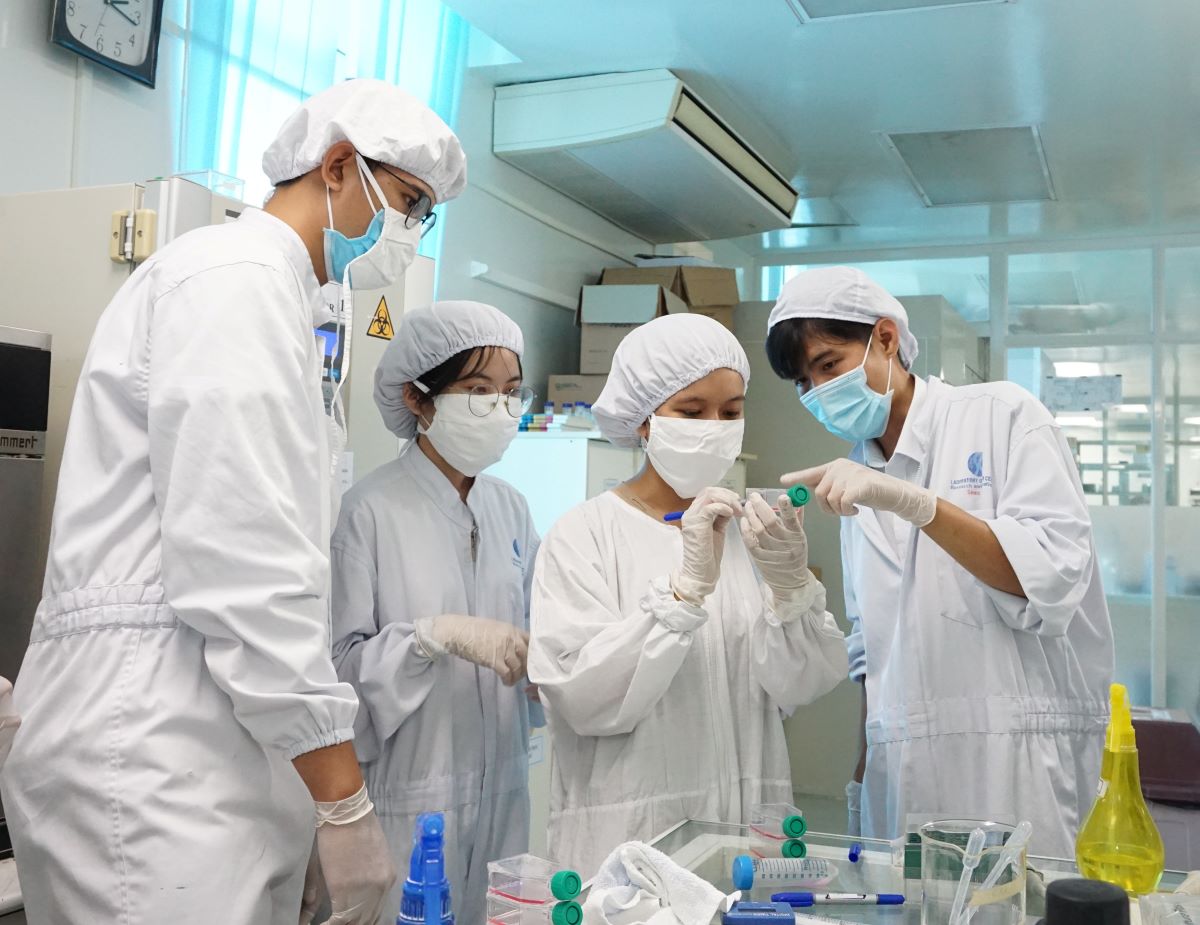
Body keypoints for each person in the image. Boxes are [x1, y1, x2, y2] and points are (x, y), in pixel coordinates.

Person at [0, 79, 467, 925]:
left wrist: (307, 801)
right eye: (407, 202)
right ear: (336, 167)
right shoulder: (233, 280)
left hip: (195, 750)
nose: (410, 232)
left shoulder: (280, 297)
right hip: (147, 751)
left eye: (423, 215)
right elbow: (244, 567)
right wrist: (339, 798)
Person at [765, 266, 1114, 859]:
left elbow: (1048, 582)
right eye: (803, 383)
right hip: (905, 771)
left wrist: (921, 506)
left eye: (828, 365)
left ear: (885, 339)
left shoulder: (1001, 416)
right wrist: (862, 773)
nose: (817, 393)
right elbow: (873, 653)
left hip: (1020, 759)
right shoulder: (858, 477)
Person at [527, 313, 848, 877]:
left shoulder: (748, 533)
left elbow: (801, 686)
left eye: (731, 412)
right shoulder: (584, 535)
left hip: (747, 845)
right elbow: (580, 699)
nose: (715, 426)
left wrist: (792, 589)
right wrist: (682, 595)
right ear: (645, 421)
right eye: (691, 411)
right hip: (632, 849)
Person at [332, 301, 538, 925]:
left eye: (510, 393)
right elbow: (337, 676)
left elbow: (536, 649)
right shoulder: (368, 510)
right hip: (407, 801)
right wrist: (430, 638)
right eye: (477, 391)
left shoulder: (510, 509)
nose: (498, 410)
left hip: (503, 792)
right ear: (418, 400)